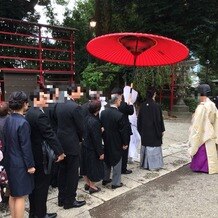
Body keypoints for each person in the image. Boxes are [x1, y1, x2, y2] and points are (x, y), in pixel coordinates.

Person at [26, 89, 65, 218]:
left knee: (35, 186)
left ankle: (34, 213)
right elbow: (49, 135)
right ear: (37, 99)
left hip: (34, 153)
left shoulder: (30, 112)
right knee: (42, 186)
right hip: (41, 155)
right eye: (44, 97)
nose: (47, 99)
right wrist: (60, 152)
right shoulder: (39, 115)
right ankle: (41, 214)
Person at [3, 91, 35, 218]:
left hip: (9, 161)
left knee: (13, 193)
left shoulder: (7, 119)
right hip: (20, 164)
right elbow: (26, 147)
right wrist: (30, 165)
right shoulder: (23, 122)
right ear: (24, 104)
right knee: (21, 195)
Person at [55, 84, 86, 209]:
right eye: (80, 92)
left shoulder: (59, 104)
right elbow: (81, 128)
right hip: (72, 143)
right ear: (74, 92)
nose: (81, 94)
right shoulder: (75, 107)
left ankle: (61, 198)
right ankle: (70, 201)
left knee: (62, 171)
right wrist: (81, 138)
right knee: (72, 173)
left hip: (60, 142)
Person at [101, 93, 129, 189]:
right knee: (117, 159)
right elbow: (123, 131)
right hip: (116, 140)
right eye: (120, 100)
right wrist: (125, 143)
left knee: (107, 158)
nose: (120, 102)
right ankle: (116, 182)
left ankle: (105, 178)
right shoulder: (120, 115)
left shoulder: (103, 113)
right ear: (116, 101)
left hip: (106, 138)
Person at [188, 84, 218, 174]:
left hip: (202, 131)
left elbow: (197, 123)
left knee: (200, 149)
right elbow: (215, 119)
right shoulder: (212, 105)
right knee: (210, 151)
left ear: (201, 94)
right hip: (210, 131)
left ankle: (200, 167)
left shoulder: (202, 107)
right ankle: (210, 167)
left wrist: (193, 132)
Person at [137, 87, 165, 171]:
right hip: (154, 131)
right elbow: (159, 120)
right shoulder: (156, 106)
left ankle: (145, 164)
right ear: (154, 94)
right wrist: (161, 130)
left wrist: (140, 130)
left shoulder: (142, 105)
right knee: (153, 146)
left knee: (145, 146)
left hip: (145, 131)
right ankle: (154, 165)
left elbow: (139, 119)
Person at [81, 100, 104, 194]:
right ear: (98, 109)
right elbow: (96, 139)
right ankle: (92, 186)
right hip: (91, 148)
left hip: (84, 145)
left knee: (85, 166)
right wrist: (100, 153)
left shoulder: (86, 118)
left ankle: (87, 184)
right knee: (92, 166)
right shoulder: (95, 122)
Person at [111, 87, 134, 174]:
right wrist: (130, 103)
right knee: (124, 150)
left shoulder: (109, 105)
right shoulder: (123, 105)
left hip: (114, 130)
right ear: (120, 95)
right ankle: (123, 168)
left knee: (116, 149)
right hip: (124, 130)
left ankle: (116, 166)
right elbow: (131, 111)